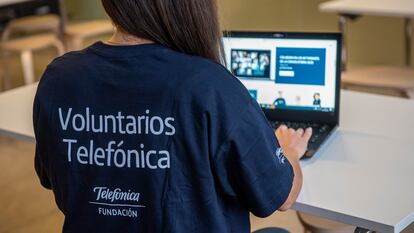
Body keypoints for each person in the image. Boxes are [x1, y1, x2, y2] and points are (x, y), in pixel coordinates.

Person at [33, 0, 312, 232]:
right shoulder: (210, 86)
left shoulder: (59, 79)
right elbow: (282, 195)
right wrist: (288, 150)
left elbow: (52, 177)